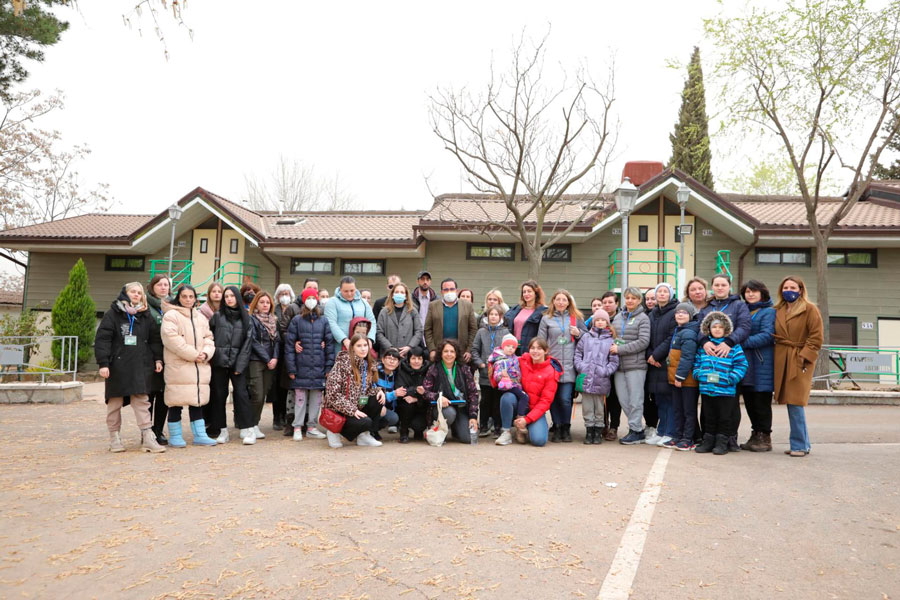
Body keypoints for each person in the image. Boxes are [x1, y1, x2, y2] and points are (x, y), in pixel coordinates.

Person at [94, 282, 164, 453]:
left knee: (142, 401)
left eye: (139, 293)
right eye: (133, 292)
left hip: (140, 365)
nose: (136, 295)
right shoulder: (113, 314)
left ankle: (148, 437)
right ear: (125, 293)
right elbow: (103, 339)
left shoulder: (145, 315)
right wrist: (103, 363)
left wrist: (158, 359)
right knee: (115, 402)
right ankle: (114, 437)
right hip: (117, 366)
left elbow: (155, 340)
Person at [698, 274, 752, 452]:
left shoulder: (739, 305)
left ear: (729, 286)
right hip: (709, 358)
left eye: (723, 285)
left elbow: (744, 327)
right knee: (709, 409)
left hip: (728, 358)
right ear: (712, 287)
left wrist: (729, 342)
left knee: (729, 408)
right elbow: (698, 326)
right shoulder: (707, 306)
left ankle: (728, 439)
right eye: (716, 285)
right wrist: (704, 341)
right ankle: (709, 439)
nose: (720, 288)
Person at [160, 284, 217, 448]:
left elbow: (209, 338)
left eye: (191, 297)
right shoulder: (171, 315)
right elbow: (171, 339)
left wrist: (205, 353)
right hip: (179, 367)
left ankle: (200, 434)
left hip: (199, 367)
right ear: (179, 297)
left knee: (197, 401)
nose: (188, 300)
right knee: (176, 402)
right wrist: (193, 354)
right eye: (184, 296)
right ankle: (175, 436)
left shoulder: (200, 318)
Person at [773, 275, 823, 458]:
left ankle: (800, 445)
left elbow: (816, 338)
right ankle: (803, 443)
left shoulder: (810, 309)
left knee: (796, 402)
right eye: (786, 287)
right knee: (789, 402)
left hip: (799, 359)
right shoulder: (777, 309)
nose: (789, 291)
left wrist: (803, 357)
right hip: (781, 358)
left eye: (793, 288)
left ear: (801, 290)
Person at [693, 312, 748, 455]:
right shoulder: (704, 347)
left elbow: (742, 365)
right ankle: (708, 441)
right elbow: (697, 362)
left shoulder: (733, 347)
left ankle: (722, 443)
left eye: (720, 327)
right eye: (714, 327)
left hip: (726, 390)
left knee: (724, 418)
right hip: (707, 388)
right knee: (709, 417)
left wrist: (731, 378)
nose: (717, 329)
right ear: (709, 329)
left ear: (726, 329)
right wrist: (698, 374)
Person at [284, 288, 334, 441]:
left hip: (319, 366)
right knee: (300, 398)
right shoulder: (296, 320)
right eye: (309, 297)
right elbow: (289, 346)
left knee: (316, 399)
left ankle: (311, 426)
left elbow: (330, 345)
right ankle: (297, 426)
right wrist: (291, 368)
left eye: (314, 297)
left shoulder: (324, 320)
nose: (311, 300)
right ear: (304, 300)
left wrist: (328, 367)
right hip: (301, 366)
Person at [537, 289, 587, 442]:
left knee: (565, 398)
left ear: (568, 303)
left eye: (564, 300)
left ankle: (566, 427)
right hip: (552, 365)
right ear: (553, 301)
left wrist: (578, 333)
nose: (560, 302)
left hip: (570, 365)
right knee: (552, 398)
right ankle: (557, 426)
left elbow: (587, 338)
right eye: (557, 299)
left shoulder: (576, 317)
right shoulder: (546, 318)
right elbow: (541, 341)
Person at [321, 334, 388, 448]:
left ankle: (363, 436)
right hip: (340, 411)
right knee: (365, 421)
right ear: (352, 348)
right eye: (359, 346)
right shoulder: (342, 364)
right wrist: (352, 410)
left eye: (365, 345)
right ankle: (334, 431)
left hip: (357, 405)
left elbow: (367, 388)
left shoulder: (367, 364)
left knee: (377, 399)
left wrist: (379, 391)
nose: (363, 349)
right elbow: (333, 395)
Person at [206, 286, 253, 445]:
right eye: (226, 296)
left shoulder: (246, 318)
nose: (229, 299)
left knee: (242, 395)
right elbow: (209, 337)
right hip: (219, 363)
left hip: (237, 364)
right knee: (219, 396)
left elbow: (248, 344)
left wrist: (239, 366)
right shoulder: (217, 317)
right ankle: (222, 430)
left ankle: (248, 429)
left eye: (232, 296)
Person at [496, 337, 561, 447]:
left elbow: (545, 401)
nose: (535, 351)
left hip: (534, 409)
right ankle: (506, 432)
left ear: (546, 351)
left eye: (539, 348)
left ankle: (522, 426)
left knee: (539, 441)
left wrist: (527, 419)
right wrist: (501, 374)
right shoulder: (521, 361)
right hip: (518, 403)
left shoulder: (551, 372)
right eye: (533, 348)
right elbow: (502, 361)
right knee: (507, 397)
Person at [278, 279, 321, 436]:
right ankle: (292, 422)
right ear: (303, 290)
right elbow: (283, 329)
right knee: (295, 393)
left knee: (313, 393)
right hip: (297, 358)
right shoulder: (292, 309)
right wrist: (293, 340)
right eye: (309, 288)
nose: (312, 292)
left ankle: (309, 424)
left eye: (315, 289)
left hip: (314, 359)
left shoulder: (320, 311)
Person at [739, 280, 776, 452]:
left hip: (762, 363)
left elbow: (767, 335)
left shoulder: (768, 311)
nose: (750, 294)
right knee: (749, 402)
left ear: (762, 293)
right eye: (747, 292)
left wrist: (741, 342)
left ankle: (765, 436)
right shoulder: (743, 309)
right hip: (746, 363)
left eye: (754, 291)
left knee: (761, 402)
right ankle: (755, 434)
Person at [611, 287, 651, 445]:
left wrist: (620, 349)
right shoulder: (618, 317)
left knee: (636, 399)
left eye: (633, 298)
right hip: (619, 367)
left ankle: (635, 430)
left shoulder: (643, 318)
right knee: (623, 399)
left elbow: (643, 342)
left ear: (639, 300)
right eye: (627, 298)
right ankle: (637, 428)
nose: (630, 301)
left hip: (636, 366)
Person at [574, 309, 619, 445]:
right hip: (586, 378)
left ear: (607, 322)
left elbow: (614, 361)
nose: (600, 322)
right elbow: (577, 354)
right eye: (597, 320)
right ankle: (589, 431)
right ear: (594, 322)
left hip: (601, 379)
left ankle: (598, 431)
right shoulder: (586, 337)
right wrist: (581, 367)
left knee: (599, 407)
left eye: (603, 320)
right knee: (587, 406)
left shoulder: (611, 340)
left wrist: (605, 371)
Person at [422, 339, 479, 443]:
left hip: (461, 407)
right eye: (446, 351)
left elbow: (473, 394)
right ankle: (440, 431)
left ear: (456, 354)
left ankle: (456, 430)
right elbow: (425, 392)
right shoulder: (434, 369)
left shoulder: (464, 369)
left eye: (452, 351)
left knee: (468, 439)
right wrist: (438, 397)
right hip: (441, 408)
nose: (449, 354)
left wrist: (473, 416)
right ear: (441, 353)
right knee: (450, 413)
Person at [645, 283, 678, 447]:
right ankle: (661, 431)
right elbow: (647, 337)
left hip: (666, 362)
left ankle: (670, 432)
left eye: (665, 292)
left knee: (669, 399)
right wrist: (649, 356)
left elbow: (672, 337)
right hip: (653, 363)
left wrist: (656, 355)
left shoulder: (675, 312)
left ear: (671, 295)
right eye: (659, 292)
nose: (662, 294)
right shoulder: (652, 314)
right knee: (659, 399)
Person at [247, 291, 281, 442]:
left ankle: (255, 424)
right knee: (257, 394)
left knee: (264, 395)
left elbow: (277, 341)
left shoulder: (274, 320)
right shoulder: (251, 320)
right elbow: (253, 341)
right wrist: (267, 358)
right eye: (262, 302)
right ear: (256, 304)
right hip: (256, 361)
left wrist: (275, 357)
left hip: (270, 362)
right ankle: (251, 424)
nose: (265, 305)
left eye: (267, 302)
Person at [471, 305, 509, 437]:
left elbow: (510, 349)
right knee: (485, 400)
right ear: (486, 317)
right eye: (490, 314)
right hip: (485, 373)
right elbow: (475, 349)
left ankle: (497, 426)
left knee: (497, 400)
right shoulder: (481, 332)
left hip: (499, 375)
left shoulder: (505, 332)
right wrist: (480, 363)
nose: (493, 317)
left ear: (501, 317)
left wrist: (504, 365)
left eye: (496, 314)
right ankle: (483, 425)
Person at [666, 302, 700, 450]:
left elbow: (687, 357)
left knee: (688, 410)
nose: (680, 314)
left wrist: (679, 377)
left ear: (691, 316)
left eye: (684, 313)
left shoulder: (689, 333)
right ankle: (678, 436)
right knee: (678, 409)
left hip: (687, 381)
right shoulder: (679, 330)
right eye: (678, 312)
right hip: (676, 379)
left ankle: (688, 438)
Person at [488, 334, 530, 443]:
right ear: (502, 346)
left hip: (514, 384)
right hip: (509, 385)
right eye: (508, 346)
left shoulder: (514, 358)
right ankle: (519, 419)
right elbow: (495, 375)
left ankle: (518, 421)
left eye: (513, 347)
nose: (510, 348)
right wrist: (502, 375)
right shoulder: (500, 360)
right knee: (524, 397)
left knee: (523, 397)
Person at [423, 278, 477, 362]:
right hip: (439, 352)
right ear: (442, 292)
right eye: (446, 289)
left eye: (452, 289)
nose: (449, 291)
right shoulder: (433, 306)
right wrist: (432, 349)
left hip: (461, 353)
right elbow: (427, 329)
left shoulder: (467, 305)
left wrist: (468, 350)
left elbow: (473, 329)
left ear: (457, 291)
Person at [146, 274, 171, 445]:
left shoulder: (171, 306)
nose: (163, 287)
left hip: (168, 357)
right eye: (160, 284)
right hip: (149, 357)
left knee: (164, 396)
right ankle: (146, 431)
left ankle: (158, 430)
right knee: (149, 396)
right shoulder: (146, 306)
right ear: (152, 286)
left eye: (166, 285)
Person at [324, 276, 376, 351]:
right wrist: (344, 340)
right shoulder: (332, 302)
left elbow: (372, 321)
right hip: (339, 346)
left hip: (361, 346)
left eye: (352, 290)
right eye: (345, 291)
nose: (349, 294)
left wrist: (370, 339)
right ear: (340, 289)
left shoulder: (363, 302)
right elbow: (331, 323)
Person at [269, 283, 295, 432]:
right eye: (281, 293)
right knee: (276, 387)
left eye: (287, 293)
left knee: (287, 386)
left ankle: (286, 415)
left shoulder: (294, 310)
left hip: (289, 352)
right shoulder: (274, 310)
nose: (284, 296)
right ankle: (276, 416)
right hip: (275, 351)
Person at [375, 282, 423, 357]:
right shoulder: (384, 312)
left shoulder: (413, 311)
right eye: (396, 292)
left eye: (402, 292)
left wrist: (409, 346)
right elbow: (379, 332)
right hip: (388, 354)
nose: (399, 294)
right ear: (392, 295)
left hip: (407, 354)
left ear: (406, 296)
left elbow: (418, 331)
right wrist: (390, 347)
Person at [599, 291, 623, 441]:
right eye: (605, 302)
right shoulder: (597, 319)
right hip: (600, 366)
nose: (607, 305)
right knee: (601, 397)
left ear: (617, 304)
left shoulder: (621, 319)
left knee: (614, 397)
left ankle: (614, 426)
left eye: (610, 302)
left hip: (616, 364)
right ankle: (603, 424)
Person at [394, 347, 430, 442]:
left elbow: (430, 390)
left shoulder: (428, 370)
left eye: (419, 358)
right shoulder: (402, 370)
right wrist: (416, 391)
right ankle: (404, 431)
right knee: (407, 404)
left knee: (419, 424)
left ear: (423, 360)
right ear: (408, 359)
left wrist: (417, 398)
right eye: (413, 358)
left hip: (423, 404)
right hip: (405, 404)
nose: (416, 361)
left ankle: (419, 431)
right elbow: (400, 389)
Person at [504, 280, 548, 356]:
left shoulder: (542, 311)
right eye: (524, 292)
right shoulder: (516, 309)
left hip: (530, 349)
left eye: (529, 291)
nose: (526, 294)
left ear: (536, 293)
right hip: (513, 348)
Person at [373, 348, 402, 439]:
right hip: (374, 404)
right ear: (383, 359)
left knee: (393, 418)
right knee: (378, 409)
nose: (391, 361)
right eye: (389, 358)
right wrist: (392, 395)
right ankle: (370, 430)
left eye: (394, 359)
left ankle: (374, 429)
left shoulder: (398, 375)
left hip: (388, 406)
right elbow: (371, 392)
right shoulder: (374, 372)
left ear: (398, 363)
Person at [411, 270, 437, 343]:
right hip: (414, 337)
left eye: (427, 279)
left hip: (431, 337)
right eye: (422, 279)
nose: (425, 282)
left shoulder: (436, 299)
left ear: (430, 282)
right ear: (418, 281)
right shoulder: (410, 299)